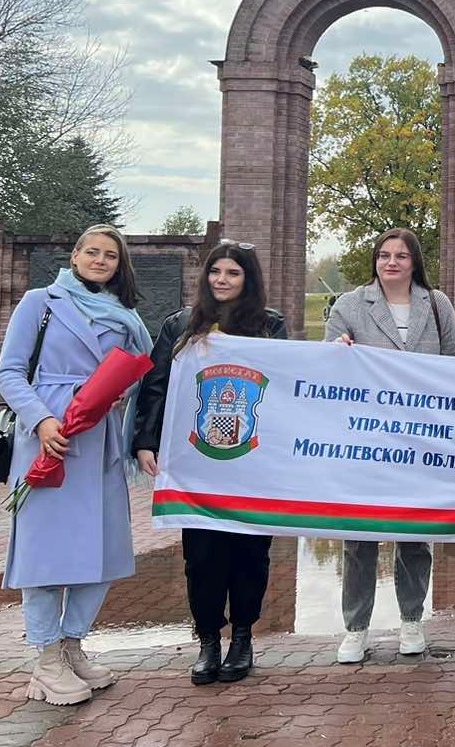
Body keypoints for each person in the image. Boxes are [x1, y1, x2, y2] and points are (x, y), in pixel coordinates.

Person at [0, 225, 153, 705]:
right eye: (92, 252)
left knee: (102, 552)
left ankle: (71, 645)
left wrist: (121, 391)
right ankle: (46, 660)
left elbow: (137, 370)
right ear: (75, 256)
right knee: (45, 553)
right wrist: (42, 420)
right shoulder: (39, 303)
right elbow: (9, 372)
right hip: (50, 442)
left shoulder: (126, 316)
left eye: (110, 255)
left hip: (100, 440)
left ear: (119, 265)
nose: (100, 260)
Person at [133, 240, 287, 686]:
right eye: (216, 271)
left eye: (233, 272)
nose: (222, 279)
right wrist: (146, 441)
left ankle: (243, 637)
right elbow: (157, 385)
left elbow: (287, 384)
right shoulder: (181, 324)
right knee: (202, 556)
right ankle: (208, 640)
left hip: (251, 463)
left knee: (250, 552)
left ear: (248, 279)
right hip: (196, 463)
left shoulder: (269, 326)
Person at [325, 227, 455, 663]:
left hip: (420, 438)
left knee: (414, 534)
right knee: (359, 536)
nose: (391, 263)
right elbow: (325, 367)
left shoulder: (436, 305)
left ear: (414, 261)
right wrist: (337, 350)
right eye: (384, 255)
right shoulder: (349, 305)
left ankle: (412, 620)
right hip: (365, 438)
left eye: (401, 256)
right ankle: (356, 627)